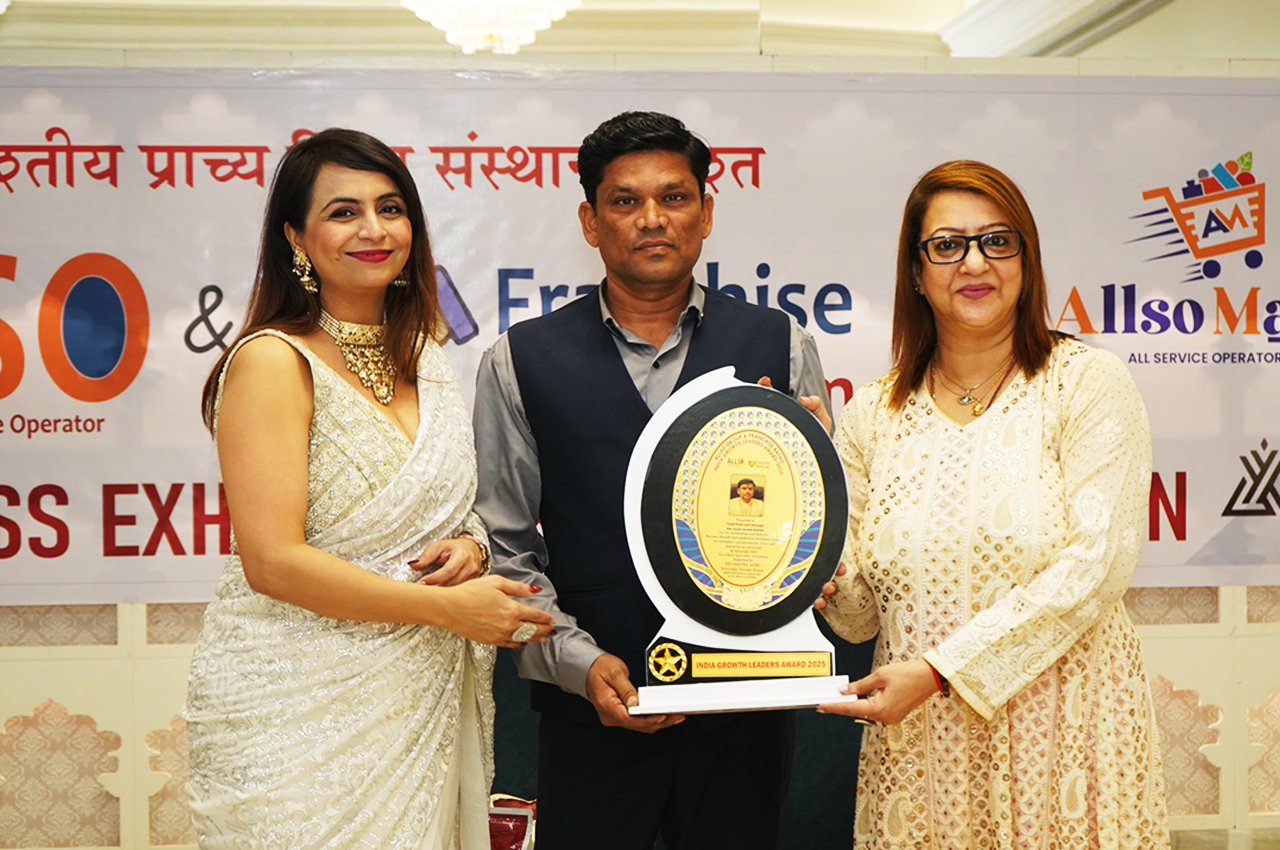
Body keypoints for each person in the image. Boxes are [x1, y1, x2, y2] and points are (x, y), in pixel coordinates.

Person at [183, 128, 554, 850]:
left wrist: (472, 548)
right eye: (343, 212)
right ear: (296, 236)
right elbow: (272, 562)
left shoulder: (427, 357)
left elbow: (458, 507)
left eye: (390, 208)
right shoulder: (272, 361)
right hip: (293, 713)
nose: (374, 230)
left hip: (416, 699)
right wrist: (447, 610)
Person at [472, 111, 830, 850]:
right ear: (590, 222)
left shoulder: (782, 345)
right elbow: (506, 551)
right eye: (625, 201)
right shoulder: (520, 360)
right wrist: (579, 664)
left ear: (706, 213)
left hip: (747, 710)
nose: (652, 219)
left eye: (673, 197)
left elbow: (819, 529)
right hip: (591, 707)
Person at [817, 160, 1170, 848]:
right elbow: (858, 618)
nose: (974, 262)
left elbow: (1096, 566)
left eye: (997, 241)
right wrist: (806, 506)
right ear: (915, 272)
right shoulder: (872, 415)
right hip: (923, 744)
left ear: (1026, 261)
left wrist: (942, 672)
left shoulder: (1086, 384)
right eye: (947, 245)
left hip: (1066, 731)